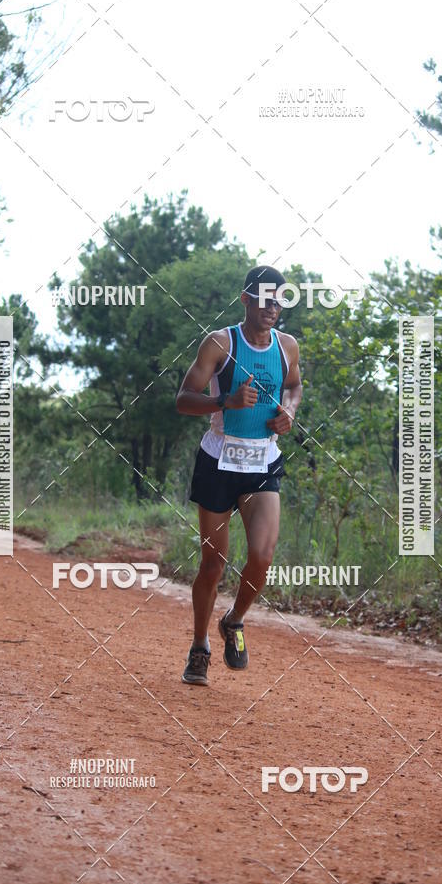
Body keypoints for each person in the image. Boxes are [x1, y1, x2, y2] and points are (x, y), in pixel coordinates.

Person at [176, 265, 302, 685]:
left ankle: (233, 620)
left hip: (262, 462)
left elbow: (295, 387)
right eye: (264, 299)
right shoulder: (220, 343)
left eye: (279, 301)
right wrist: (224, 402)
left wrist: (289, 412)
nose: (272, 308)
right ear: (246, 299)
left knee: (263, 556)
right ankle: (199, 647)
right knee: (213, 564)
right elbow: (183, 399)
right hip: (219, 464)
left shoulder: (287, 347)